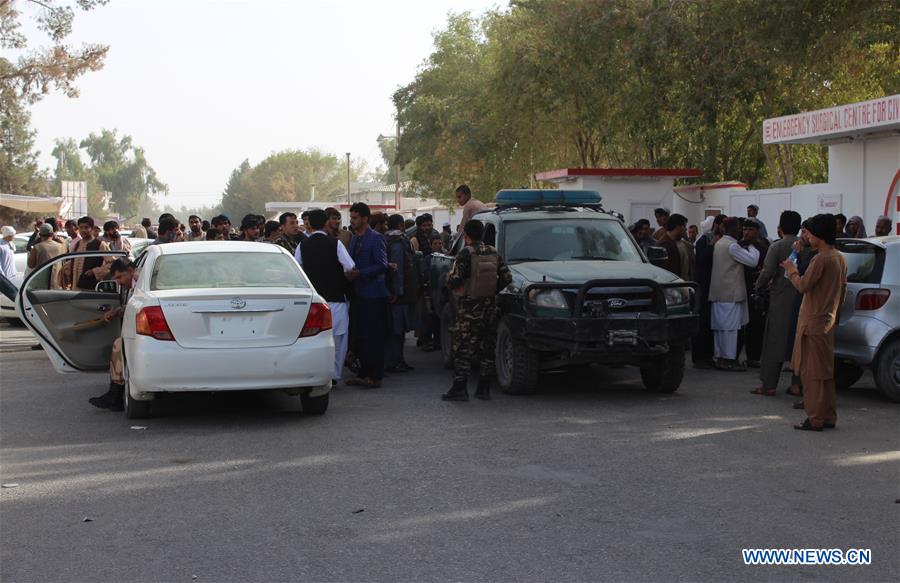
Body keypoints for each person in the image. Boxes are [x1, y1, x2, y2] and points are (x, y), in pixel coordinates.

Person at [783, 213, 847, 431]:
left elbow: (803, 286)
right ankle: (828, 415)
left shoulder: (821, 259)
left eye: (809, 232)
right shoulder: (838, 256)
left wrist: (791, 270)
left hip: (813, 322)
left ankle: (815, 417)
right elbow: (843, 290)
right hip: (827, 321)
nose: (807, 236)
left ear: (819, 234)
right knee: (825, 372)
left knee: (812, 374)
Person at [441, 219, 512, 402]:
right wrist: (492, 290)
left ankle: (460, 388)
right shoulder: (493, 252)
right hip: (490, 307)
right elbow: (507, 277)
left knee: (463, 348)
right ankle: (484, 388)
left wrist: (448, 278)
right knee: (487, 347)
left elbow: (453, 281)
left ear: (466, 236)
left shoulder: (466, 253)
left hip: (469, 309)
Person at [296, 209, 355, 386]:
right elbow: (350, 266)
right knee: (338, 339)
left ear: (309, 224)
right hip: (336, 299)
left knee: (315, 338)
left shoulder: (302, 246)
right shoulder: (335, 244)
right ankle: (334, 374)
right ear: (325, 223)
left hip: (314, 301)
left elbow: (298, 268)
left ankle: (317, 374)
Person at [751, 211, 801, 397]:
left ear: (781, 227)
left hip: (780, 299)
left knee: (774, 343)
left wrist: (757, 286)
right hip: (801, 299)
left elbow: (767, 272)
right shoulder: (806, 246)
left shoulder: (777, 246)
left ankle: (769, 385)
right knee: (798, 343)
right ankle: (797, 385)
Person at [346, 202, 389, 388]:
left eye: (355, 218)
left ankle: (376, 375)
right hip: (358, 294)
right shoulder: (355, 239)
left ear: (365, 219)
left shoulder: (376, 238)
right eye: (351, 218)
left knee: (374, 337)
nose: (352, 221)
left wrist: (360, 273)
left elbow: (382, 265)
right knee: (360, 335)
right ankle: (363, 374)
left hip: (374, 295)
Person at [708, 217, 760, 371]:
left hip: (718, 292)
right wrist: (750, 245)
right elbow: (753, 261)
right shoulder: (732, 246)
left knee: (720, 329)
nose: (741, 231)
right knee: (730, 330)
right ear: (735, 229)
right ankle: (729, 360)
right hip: (730, 294)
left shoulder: (719, 243)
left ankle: (720, 358)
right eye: (740, 228)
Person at [88, 258, 138, 412]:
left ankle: (115, 396)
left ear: (130, 271)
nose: (119, 282)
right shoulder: (138, 282)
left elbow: (134, 308)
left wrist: (118, 311)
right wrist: (116, 311)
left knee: (118, 345)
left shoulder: (142, 282)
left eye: (119, 277)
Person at [384, 214, 418, 373]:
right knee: (397, 328)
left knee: (395, 328)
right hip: (399, 292)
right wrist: (397, 291)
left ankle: (395, 359)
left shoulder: (387, 239)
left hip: (394, 289)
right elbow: (398, 268)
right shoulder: (398, 241)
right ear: (400, 225)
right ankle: (395, 360)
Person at [692, 215, 724, 369]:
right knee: (703, 322)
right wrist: (712, 245)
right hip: (703, 287)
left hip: (714, 287)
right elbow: (702, 259)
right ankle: (699, 356)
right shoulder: (703, 241)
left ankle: (709, 355)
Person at [741, 217, 769, 368]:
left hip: (757, 292)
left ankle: (754, 357)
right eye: (745, 229)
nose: (746, 232)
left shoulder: (763, 248)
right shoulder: (738, 246)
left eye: (750, 229)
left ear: (757, 231)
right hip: (740, 289)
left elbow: (766, 269)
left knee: (756, 325)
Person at [62, 216, 112, 291]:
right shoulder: (77, 244)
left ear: (91, 229)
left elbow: (112, 264)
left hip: (90, 289)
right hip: (74, 288)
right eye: (81, 227)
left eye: (86, 227)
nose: (83, 230)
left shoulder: (100, 244)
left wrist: (95, 271)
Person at [419, 234, 445, 352]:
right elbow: (424, 273)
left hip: (442, 292)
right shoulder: (427, 259)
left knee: (439, 317)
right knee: (429, 317)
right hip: (430, 291)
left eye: (440, 243)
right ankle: (426, 341)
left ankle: (438, 341)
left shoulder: (445, 257)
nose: (438, 245)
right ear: (431, 245)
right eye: (435, 243)